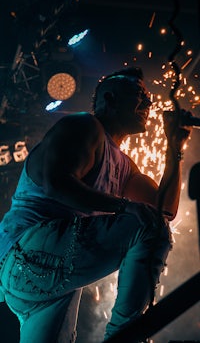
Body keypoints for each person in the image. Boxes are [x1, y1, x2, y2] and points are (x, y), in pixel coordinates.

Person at [0, 66, 191, 343]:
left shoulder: (126, 167)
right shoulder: (84, 126)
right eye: (139, 95)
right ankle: (126, 336)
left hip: (41, 279)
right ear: (110, 99)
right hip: (28, 251)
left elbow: (164, 211)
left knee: (151, 222)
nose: (149, 103)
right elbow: (58, 183)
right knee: (144, 224)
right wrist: (124, 207)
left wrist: (174, 147)